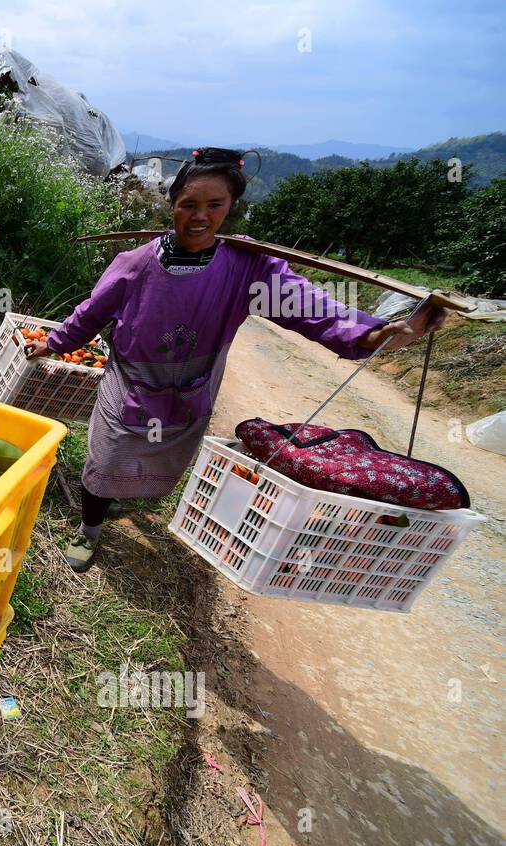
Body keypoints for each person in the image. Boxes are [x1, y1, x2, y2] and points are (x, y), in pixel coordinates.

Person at [25, 147, 445, 571]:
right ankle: (89, 529)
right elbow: (92, 312)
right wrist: (55, 342)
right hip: (131, 380)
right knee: (108, 455)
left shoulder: (247, 267)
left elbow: (306, 305)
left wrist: (370, 334)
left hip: (192, 384)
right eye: (188, 204)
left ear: (231, 208)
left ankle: (121, 499)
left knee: (161, 456)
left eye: (215, 205)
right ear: (173, 205)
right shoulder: (135, 264)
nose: (199, 216)